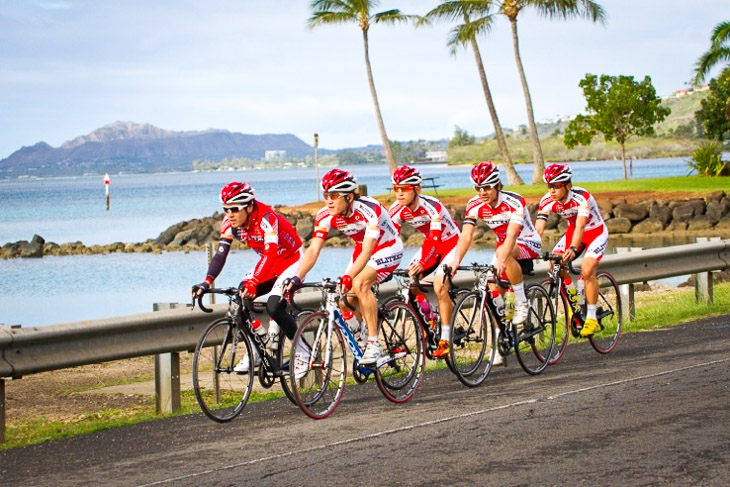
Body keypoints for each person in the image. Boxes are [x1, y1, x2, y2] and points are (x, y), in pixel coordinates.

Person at [191, 181, 308, 377]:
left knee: (274, 306)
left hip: (292, 261)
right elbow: (220, 255)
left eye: (235, 209)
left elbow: (271, 254)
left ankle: (304, 353)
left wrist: (255, 281)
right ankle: (256, 347)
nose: (229, 214)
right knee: (239, 295)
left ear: (250, 206)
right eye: (226, 209)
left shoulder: (267, 218)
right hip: (269, 262)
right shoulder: (230, 223)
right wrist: (206, 282)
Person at [291, 168, 404, 367]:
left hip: (387, 247)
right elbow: (314, 250)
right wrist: (296, 277)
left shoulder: (369, 210)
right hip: (361, 250)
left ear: (349, 196)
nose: (328, 201)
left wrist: (348, 276)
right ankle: (361, 339)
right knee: (343, 302)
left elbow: (369, 251)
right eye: (326, 195)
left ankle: (373, 343)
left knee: (359, 283)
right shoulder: (325, 215)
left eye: (334, 195)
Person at [448, 161, 542, 328]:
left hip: (527, 240)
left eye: (487, 187)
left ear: (498, 185)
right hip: (502, 247)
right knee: (491, 286)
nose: (482, 192)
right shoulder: (474, 205)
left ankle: (521, 302)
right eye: (478, 188)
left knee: (502, 253)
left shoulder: (514, 201)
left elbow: (513, 234)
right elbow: (466, 235)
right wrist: (456, 260)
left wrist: (502, 257)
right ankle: (502, 335)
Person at [388, 165, 460, 359]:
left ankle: (445, 339)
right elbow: (390, 239)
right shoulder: (396, 209)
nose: (400, 193)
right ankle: (429, 317)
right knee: (411, 283)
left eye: (404, 189)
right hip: (431, 244)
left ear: (417, 189)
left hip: (451, 243)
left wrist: (424, 262)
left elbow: (437, 239)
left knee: (439, 285)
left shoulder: (432, 206)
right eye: (396, 189)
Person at [534, 163, 609, 337]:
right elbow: (538, 229)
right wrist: (531, 248)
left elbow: (581, 225)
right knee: (555, 262)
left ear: (568, 186)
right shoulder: (546, 201)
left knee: (587, 269)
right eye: (549, 186)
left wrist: (574, 248)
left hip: (594, 232)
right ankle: (574, 299)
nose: (551, 191)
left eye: (556, 186)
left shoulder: (582, 198)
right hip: (572, 232)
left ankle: (591, 318)